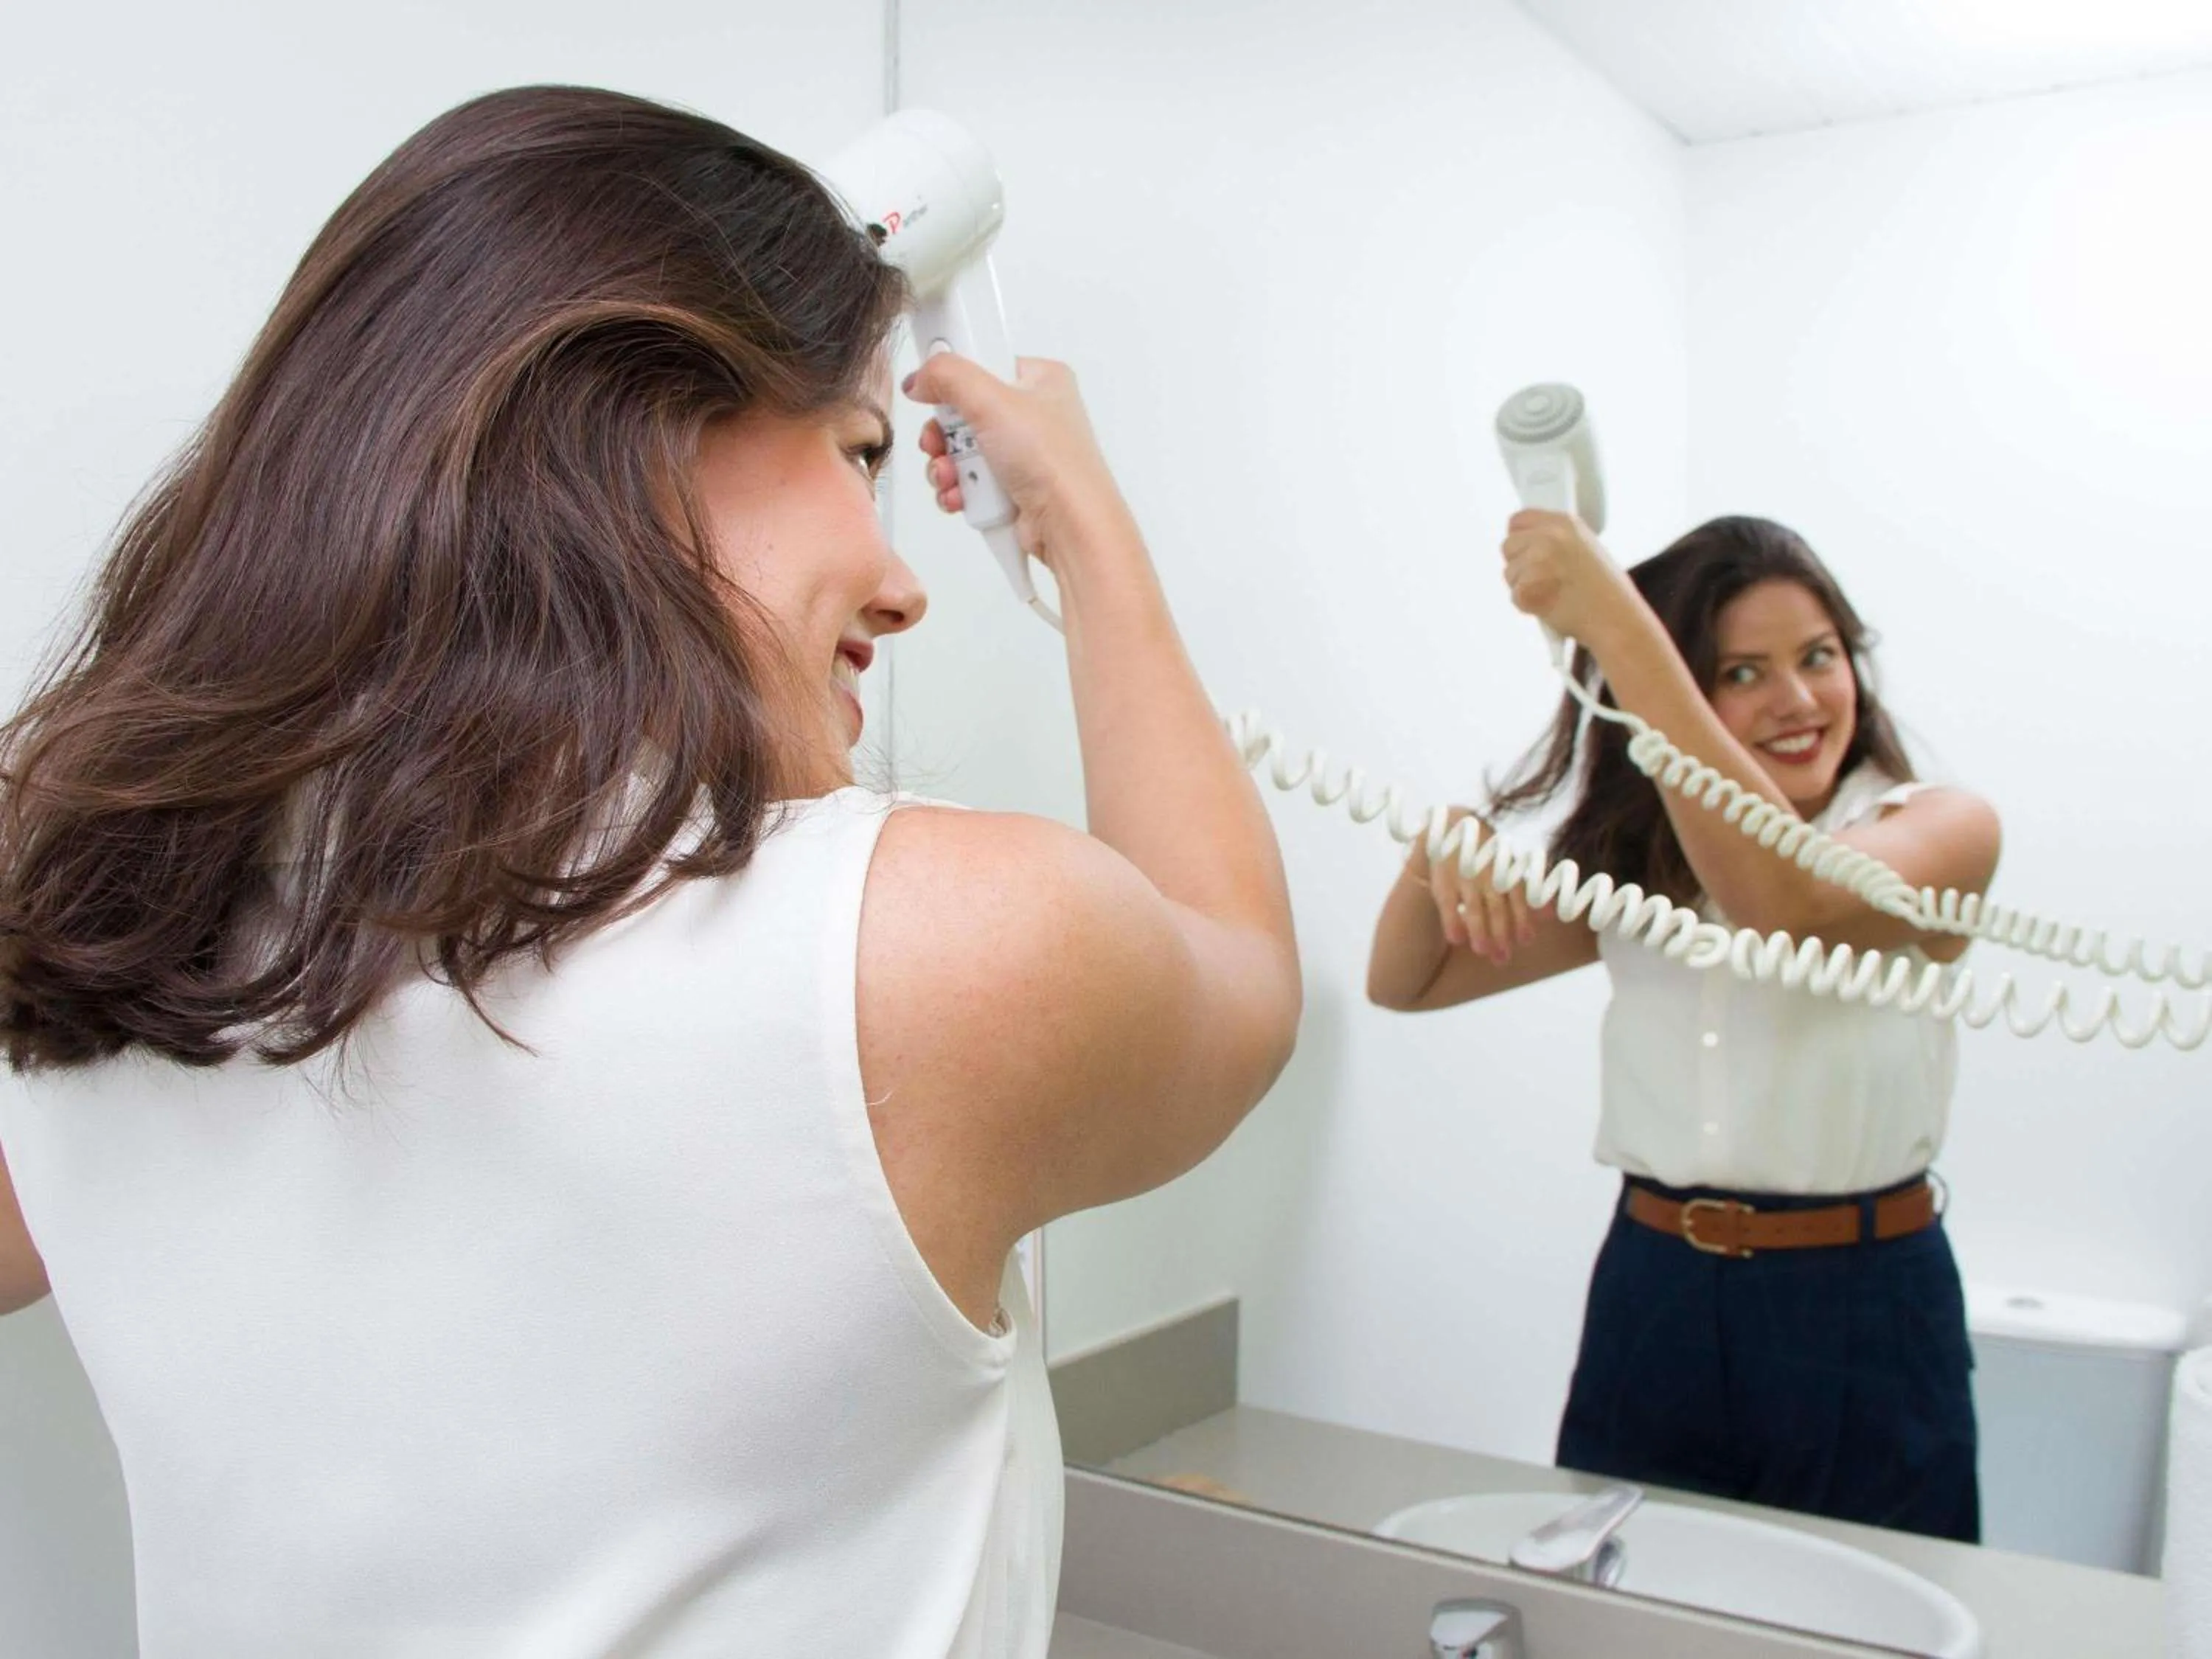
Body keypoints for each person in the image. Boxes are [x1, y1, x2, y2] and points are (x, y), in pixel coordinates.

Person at [0, 86, 1300, 1657]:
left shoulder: (90, 939)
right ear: (642, 419)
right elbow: (1239, 972)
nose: (902, 588)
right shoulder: (919, 956)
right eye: (859, 448)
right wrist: (1085, 524)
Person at [1368, 510, 2000, 1543]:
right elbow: (1409, 980)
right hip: (1655, 1286)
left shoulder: (1942, 829)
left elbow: (1785, 904)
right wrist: (1444, 847)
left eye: (1818, 657)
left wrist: (1616, 626)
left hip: (1863, 1301)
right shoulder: (1648, 862)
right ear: (1670, 702)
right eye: (1741, 673)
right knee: (1625, 1606)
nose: (1797, 700)